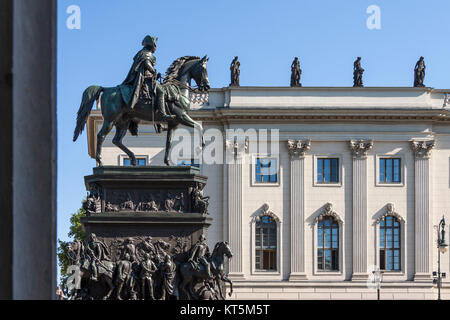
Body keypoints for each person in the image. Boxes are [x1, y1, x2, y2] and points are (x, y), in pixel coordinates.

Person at [121, 35, 175, 121]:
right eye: (155, 45)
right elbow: (147, 64)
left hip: (148, 77)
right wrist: (154, 71)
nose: (155, 48)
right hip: (145, 79)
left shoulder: (142, 52)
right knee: (161, 91)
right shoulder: (146, 54)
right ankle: (163, 114)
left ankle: (158, 119)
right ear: (151, 45)